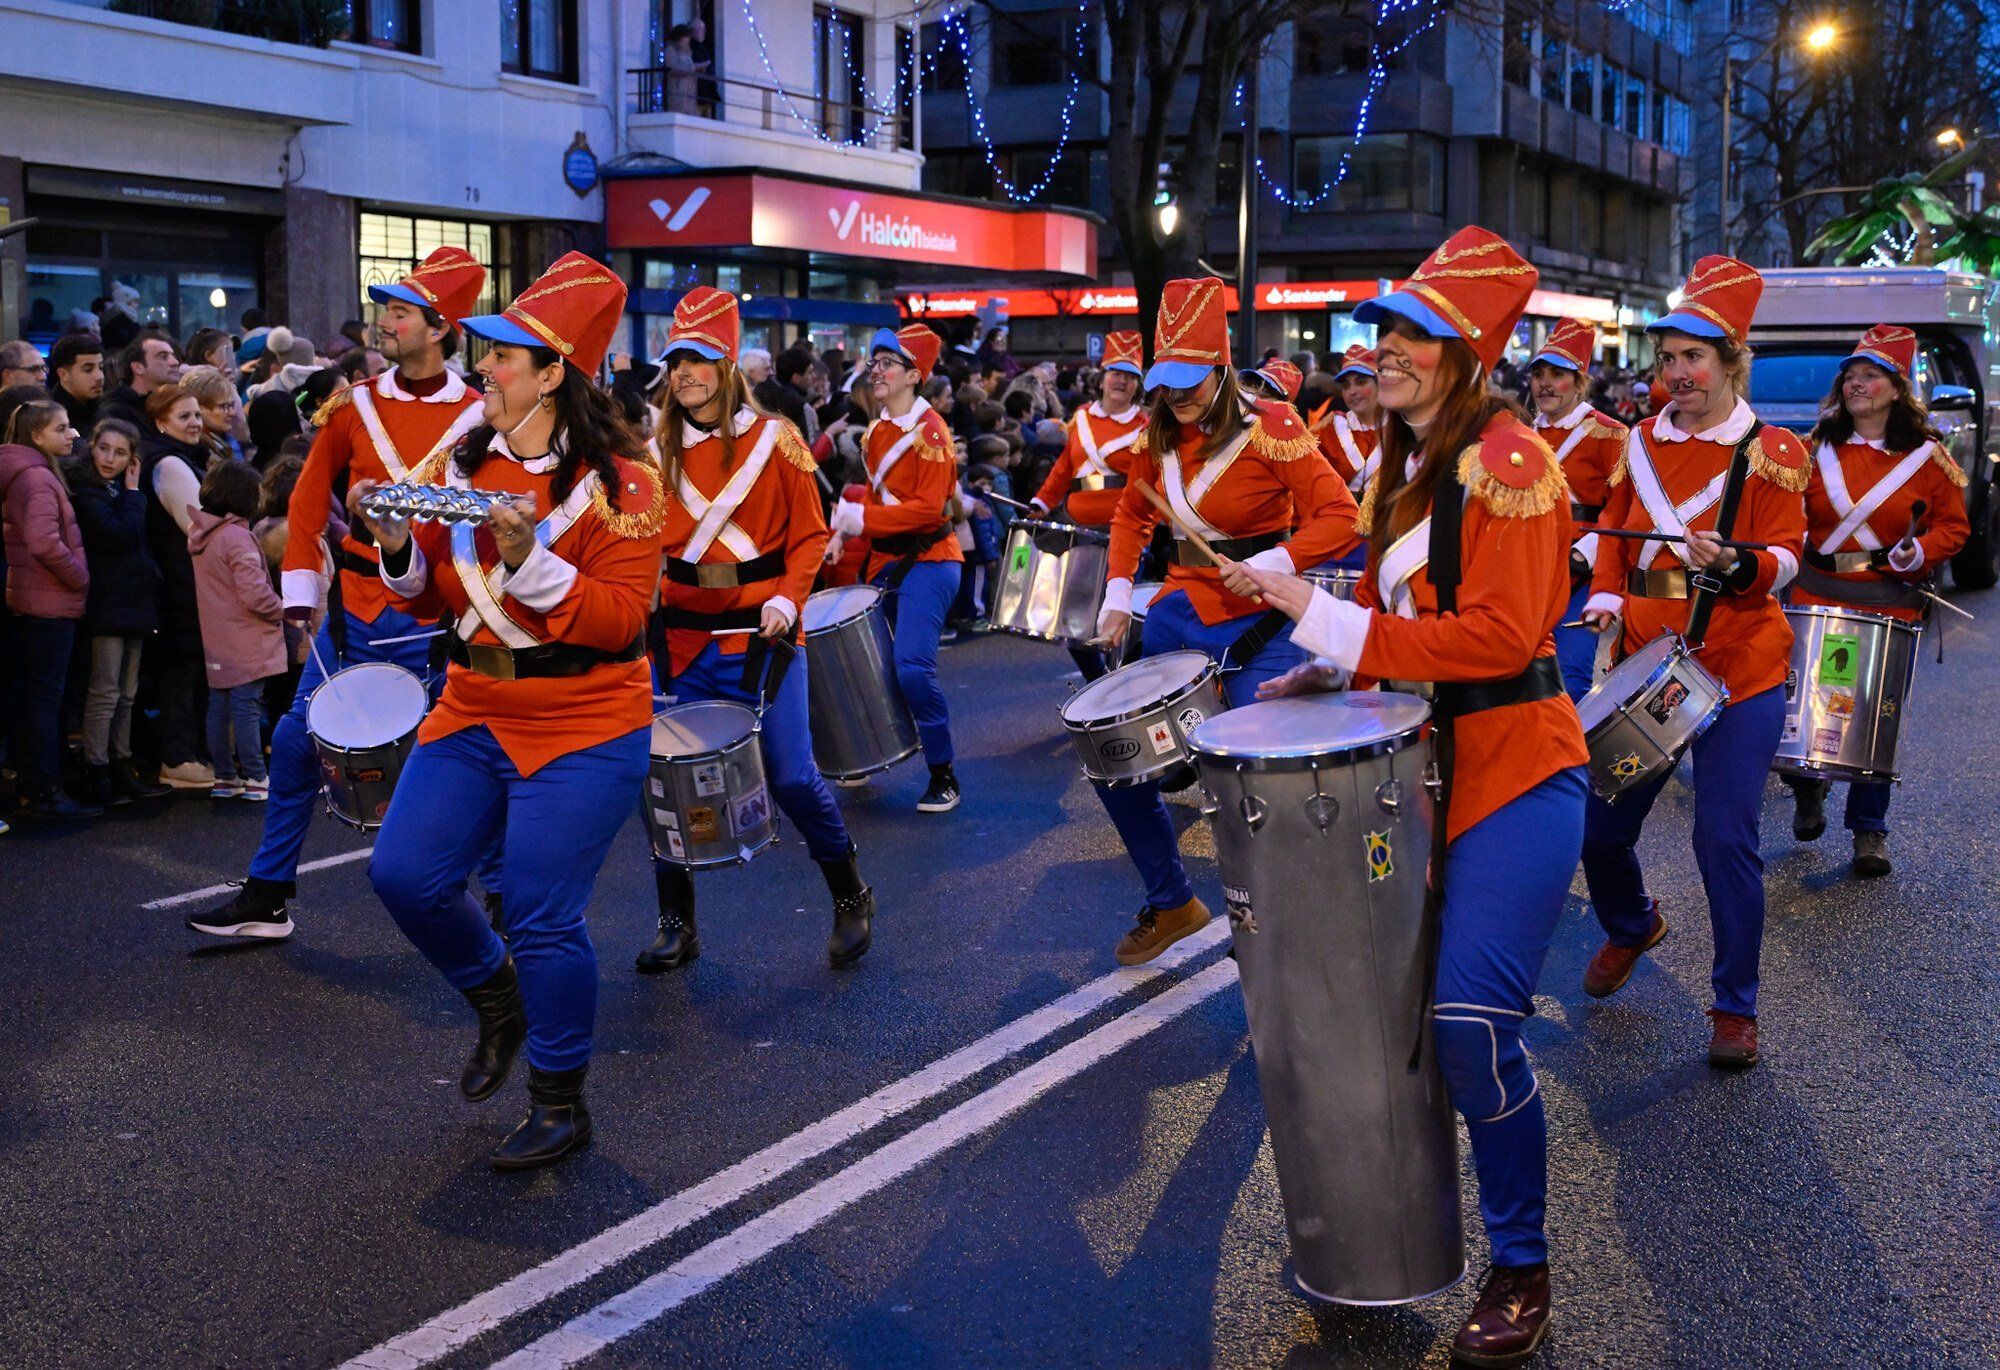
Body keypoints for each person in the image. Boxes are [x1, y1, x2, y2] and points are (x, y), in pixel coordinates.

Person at [1237, 225, 1586, 1370]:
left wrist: (1315, 611)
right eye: (1381, 328)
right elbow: (1422, 620)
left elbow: (1495, 634)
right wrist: (1340, 668)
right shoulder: (1413, 460)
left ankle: (1519, 1261)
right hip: (1421, 772)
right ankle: (1394, 1235)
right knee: (1391, 1034)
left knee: (1470, 1030)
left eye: (1413, 334)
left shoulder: (1509, 462)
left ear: (1465, 353)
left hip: (1515, 772)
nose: (1385, 347)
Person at [359, 251, 663, 1170]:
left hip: (586, 720)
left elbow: (619, 622)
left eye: (501, 356)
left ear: (552, 375)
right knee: (404, 876)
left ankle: (560, 1098)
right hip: (472, 704)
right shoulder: (457, 457)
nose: (481, 368)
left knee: (539, 913)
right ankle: (499, 999)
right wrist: (396, 550)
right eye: (484, 351)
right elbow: (427, 600)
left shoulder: (625, 486)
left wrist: (531, 555)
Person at [188, 247, 489, 940]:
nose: (386, 320)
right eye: (387, 307)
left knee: (467, 756)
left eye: (402, 311)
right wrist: (300, 593)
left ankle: (497, 898)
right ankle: (268, 893)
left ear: (439, 327)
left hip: (437, 616)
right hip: (351, 611)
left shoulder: (478, 417)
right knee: (295, 743)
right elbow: (304, 501)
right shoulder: (352, 406)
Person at [1577, 256, 1809, 1071]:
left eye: (1695, 358)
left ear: (1731, 362)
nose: (1677, 374)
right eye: (1667, 358)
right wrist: (1605, 598)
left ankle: (1733, 1007)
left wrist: (1741, 565)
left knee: (1724, 839)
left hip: (1739, 666)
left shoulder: (1772, 448)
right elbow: (1613, 532)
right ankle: (1633, 924)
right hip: (1650, 668)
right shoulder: (1637, 443)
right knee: (1599, 829)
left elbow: (1787, 555)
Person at [1090, 276, 1359, 966]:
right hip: (1179, 614)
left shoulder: (1273, 427)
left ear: (1218, 368)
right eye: (1166, 382)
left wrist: (1275, 558)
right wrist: (1119, 593)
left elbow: (1339, 516)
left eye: (1189, 380)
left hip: (1257, 622)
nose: (1176, 396)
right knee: (1116, 760)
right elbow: (1130, 513)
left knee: (1262, 785)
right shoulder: (1157, 434)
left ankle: (1295, 928)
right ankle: (1172, 899)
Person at [639, 287, 878, 972]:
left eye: (698, 360)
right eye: (675, 361)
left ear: (726, 367)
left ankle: (849, 891)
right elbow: (639, 541)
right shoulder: (654, 453)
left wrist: (788, 600)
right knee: (666, 781)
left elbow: (809, 535)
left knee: (792, 777)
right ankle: (677, 922)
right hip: (681, 641)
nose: (684, 374)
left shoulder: (780, 441)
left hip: (763, 637)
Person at [1787, 325, 1970, 877]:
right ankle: (1807, 786)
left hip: (1890, 601)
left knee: (1874, 716)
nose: (1856, 384)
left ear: (1896, 388)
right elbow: (1784, 512)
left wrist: (1920, 554)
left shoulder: (1929, 459)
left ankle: (1869, 831)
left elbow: (1953, 528)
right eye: (1851, 375)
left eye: (1871, 375)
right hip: (1815, 592)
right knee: (1804, 706)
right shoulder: (1813, 449)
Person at [826, 324, 967, 813]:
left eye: (888, 363)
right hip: (886, 559)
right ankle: (864, 753)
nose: (876, 371)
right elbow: (882, 498)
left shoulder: (931, 432)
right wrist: (842, 530)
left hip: (930, 559)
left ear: (914, 375)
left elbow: (930, 509)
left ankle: (943, 773)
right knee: (859, 667)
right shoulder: (879, 428)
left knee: (910, 667)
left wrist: (860, 517)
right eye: (874, 362)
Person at [1027, 330, 1147, 680]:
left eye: (1130, 376)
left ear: (1138, 385)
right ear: (1102, 377)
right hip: (1077, 527)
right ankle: (1099, 683)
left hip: (1124, 530)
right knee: (1073, 623)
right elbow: (1065, 468)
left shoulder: (1146, 426)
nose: (1121, 381)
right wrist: (1042, 502)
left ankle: (1121, 689)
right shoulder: (1080, 417)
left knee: (1112, 616)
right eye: (1115, 373)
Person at [1, 399, 100, 819]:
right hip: (48, 602)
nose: (72, 433)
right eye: (61, 428)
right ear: (36, 436)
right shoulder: (37, 478)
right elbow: (44, 542)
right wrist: (79, 575)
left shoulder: (25, 472)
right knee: (45, 700)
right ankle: (44, 790)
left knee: (35, 697)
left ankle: (35, 786)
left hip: (30, 599)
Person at [67, 418, 169, 807]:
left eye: (120, 452)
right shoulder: (88, 493)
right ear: (91, 447)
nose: (109, 458)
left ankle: (120, 761)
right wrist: (132, 492)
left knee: (127, 692)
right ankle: (97, 767)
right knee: (105, 691)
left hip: (133, 600)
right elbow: (118, 533)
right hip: (106, 603)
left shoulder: (118, 492)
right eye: (104, 448)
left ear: (132, 459)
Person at [1525, 317, 1628, 700]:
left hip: (1581, 574)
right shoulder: (1521, 433)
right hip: (1526, 568)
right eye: (1538, 374)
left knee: (1570, 675)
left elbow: (1622, 507)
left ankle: (1575, 758)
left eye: (1558, 374)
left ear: (1580, 381)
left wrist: (1583, 556)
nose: (1545, 384)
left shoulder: (1609, 434)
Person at [188, 460, 284, 802]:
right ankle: (257, 777)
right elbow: (255, 593)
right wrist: (280, 609)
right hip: (247, 636)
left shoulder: (203, 534)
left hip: (216, 637)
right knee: (246, 707)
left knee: (220, 706)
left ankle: (226, 776)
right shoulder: (237, 538)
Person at [139, 381, 217, 789]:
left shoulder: (178, 458)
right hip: (178, 585)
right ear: (160, 422)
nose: (195, 423)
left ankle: (186, 753)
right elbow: (198, 524)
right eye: (184, 416)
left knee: (188, 672)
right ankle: (180, 756)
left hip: (180, 583)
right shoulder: (169, 464)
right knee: (183, 672)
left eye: (197, 415)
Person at [102, 331, 181, 434]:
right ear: (138, 367)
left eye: (173, 355)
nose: (175, 362)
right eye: (163, 356)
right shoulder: (117, 413)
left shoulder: (175, 404)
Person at [178, 365, 247, 465]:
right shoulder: (196, 451)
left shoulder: (228, 440)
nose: (232, 412)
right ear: (197, 408)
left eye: (231, 405)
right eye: (223, 406)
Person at [51, 333, 105, 447]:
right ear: (64, 374)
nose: (99, 376)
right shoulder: (50, 417)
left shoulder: (105, 409)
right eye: (88, 369)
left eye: (101, 367)